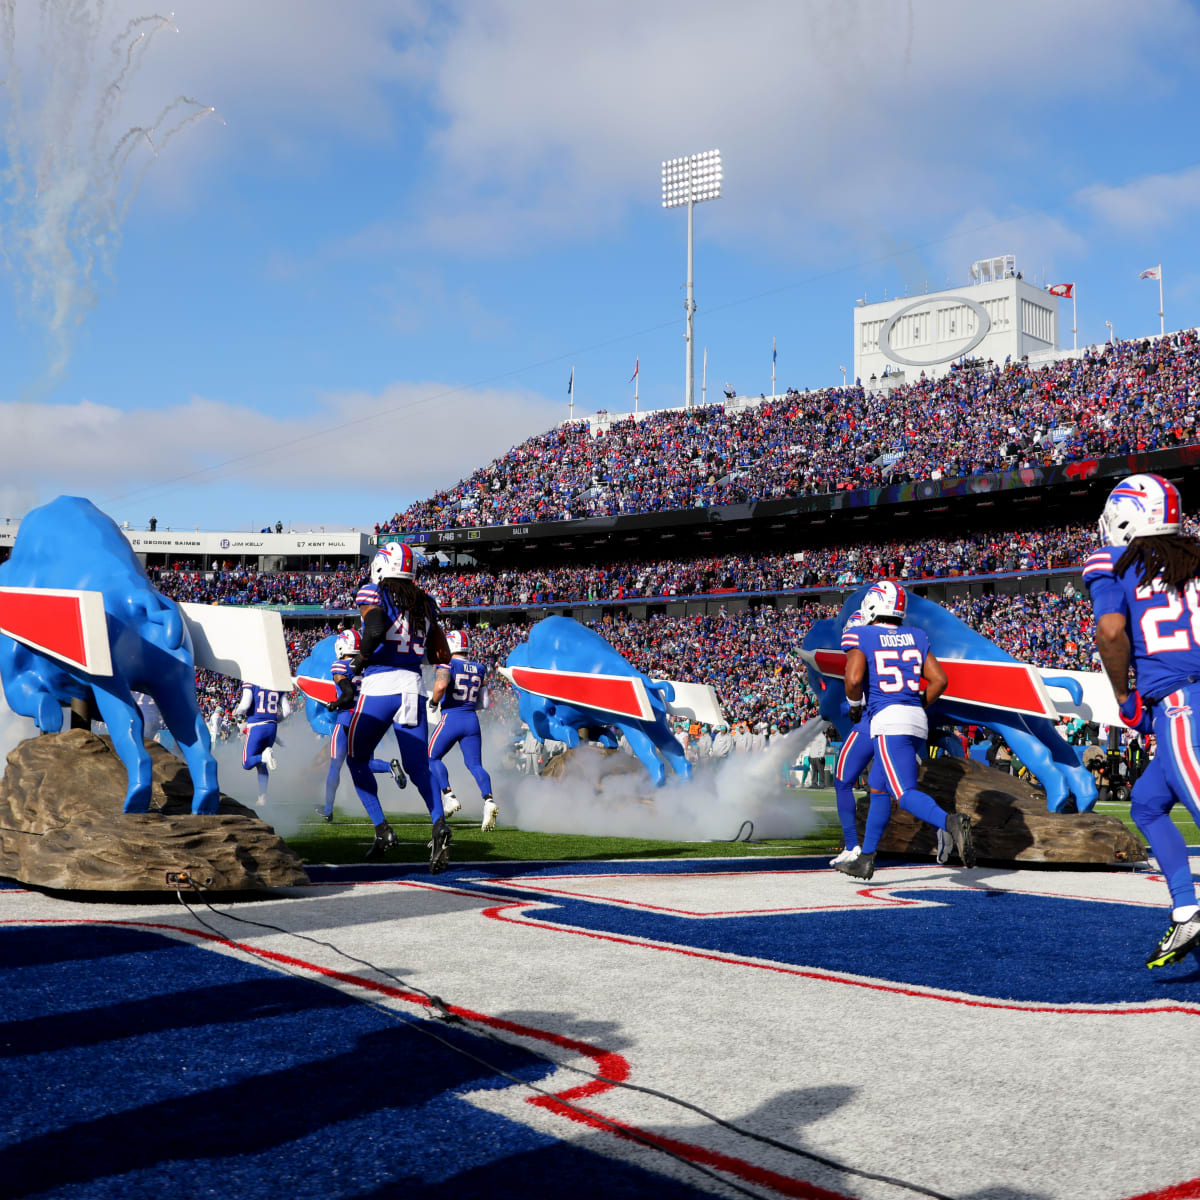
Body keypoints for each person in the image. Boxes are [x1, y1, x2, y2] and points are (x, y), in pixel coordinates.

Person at [1083, 473, 1200, 968]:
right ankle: (1187, 906)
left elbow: (1111, 631)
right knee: (1148, 803)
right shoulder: (1193, 559)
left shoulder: (1116, 563)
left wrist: (1123, 695)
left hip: (1181, 704)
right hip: (1185, 699)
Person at [838, 580, 975, 880]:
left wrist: (853, 705)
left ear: (873, 605)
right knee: (878, 787)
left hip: (889, 720)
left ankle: (949, 822)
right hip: (916, 718)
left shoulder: (861, 632)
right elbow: (939, 680)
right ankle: (866, 858)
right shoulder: (915, 635)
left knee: (905, 793)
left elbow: (853, 678)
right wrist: (913, 703)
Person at [346, 541, 451, 867]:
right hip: (412, 687)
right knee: (418, 766)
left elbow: (375, 627)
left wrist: (361, 660)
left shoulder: (372, 592)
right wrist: (442, 680)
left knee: (356, 758)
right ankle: (439, 825)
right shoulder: (425, 603)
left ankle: (382, 830)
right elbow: (441, 655)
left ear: (381, 566)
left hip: (379, 687)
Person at [317, 628, 407, 823]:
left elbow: (347, 694)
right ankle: (388, 767)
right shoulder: (369, 666)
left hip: (346, 718)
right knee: (364, 763)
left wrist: (335, 704)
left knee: (335, 764)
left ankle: (328, 809)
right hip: (366, 717)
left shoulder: (340, 666)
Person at [427, 629, 499, 833]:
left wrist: (433, 702)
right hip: (471, 720)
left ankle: (448, 796)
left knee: (431, 758)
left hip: (452, 717)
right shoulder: (480, 668)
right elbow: (484, 702)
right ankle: (489, 800)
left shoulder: (448, 664)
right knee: (475, 765)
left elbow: (441, 686)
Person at [235, 680, 291, 805]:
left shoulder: (251, 681)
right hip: (271, 728)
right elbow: (287, 711)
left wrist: (237, 712)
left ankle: (263, 757)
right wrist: (275, 721)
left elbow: (244, 705)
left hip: (256, 726)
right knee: (262, 765)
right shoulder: (277, 684)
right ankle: (262, 797)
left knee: (246, 763)